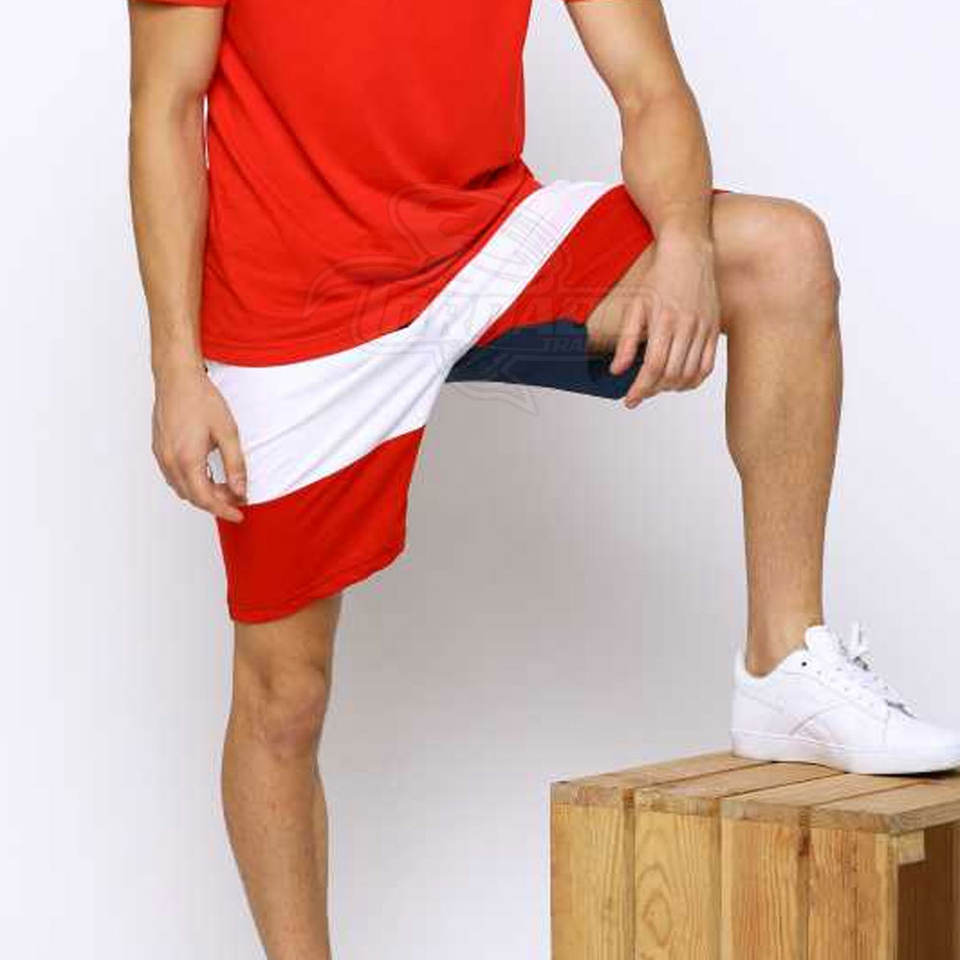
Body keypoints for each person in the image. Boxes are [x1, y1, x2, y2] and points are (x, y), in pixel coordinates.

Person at [127, 0, 960, 956]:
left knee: (782, 255)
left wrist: (684, 244)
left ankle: (784, 665)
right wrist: (176, 369)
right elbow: (165, 106)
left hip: (482, 240)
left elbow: (649, 87)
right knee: (284, 692)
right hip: (294, 297)